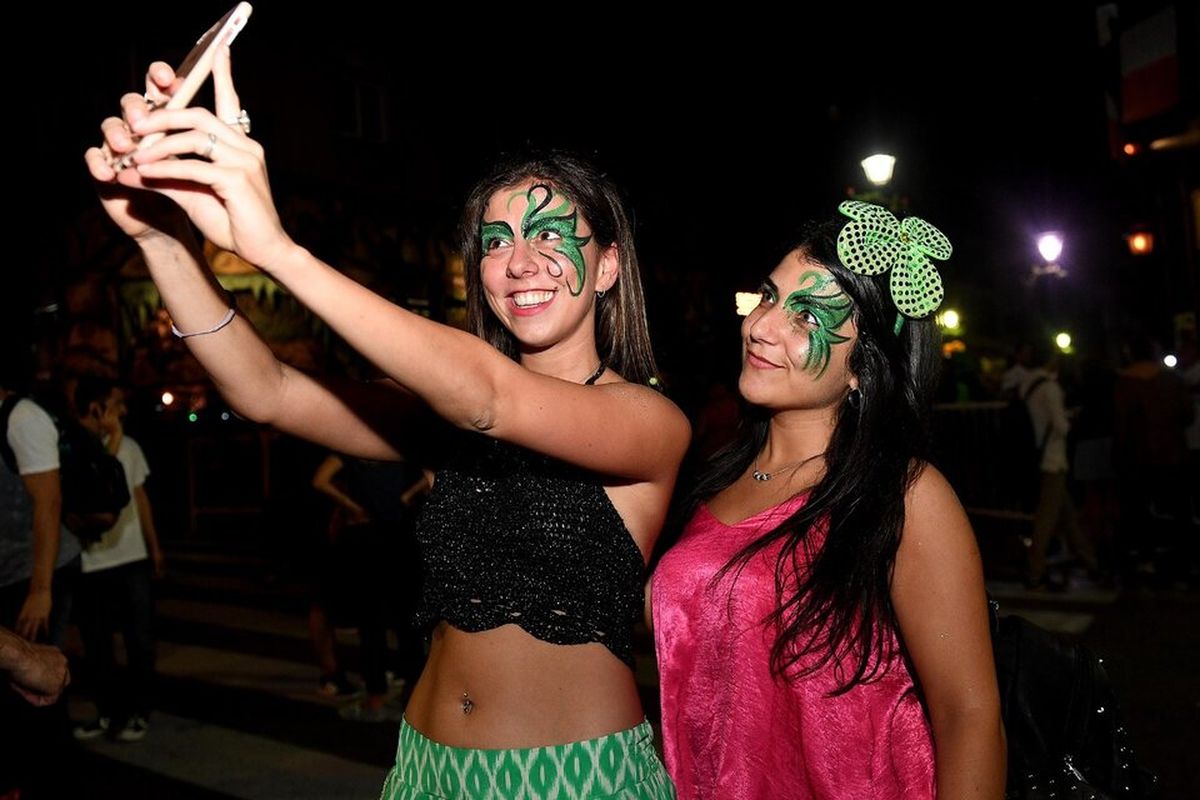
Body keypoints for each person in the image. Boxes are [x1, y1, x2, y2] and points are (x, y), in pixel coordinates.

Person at [87, 47, 688, 798]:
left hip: (572, 777)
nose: (519, 262)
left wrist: (276, 250)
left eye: (549, 235)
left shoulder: (649, 421)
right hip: (424, 768)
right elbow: (267, 391)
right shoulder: (446, 418)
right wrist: (160, 239)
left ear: (608, 266)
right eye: (496, 241)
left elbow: (491, 398)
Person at [651, 203, 1005, 799]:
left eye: (807, 316)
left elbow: (969, 719)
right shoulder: (713, 481)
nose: (761, 326)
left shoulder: (905, 497)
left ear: (862, 369)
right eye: (769, 297)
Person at [69, 377, 163, 743]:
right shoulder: (78, 448)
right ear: (97, 408)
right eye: (116, 403)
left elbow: (140, 499)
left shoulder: (131, 447)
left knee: (139, 639)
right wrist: (115, 438)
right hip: (93, 561)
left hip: (131, 557)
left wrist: (154, 546)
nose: (123, 410)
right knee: (97, 644)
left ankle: (140, 711)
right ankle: (108, 712)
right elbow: (99, 488)